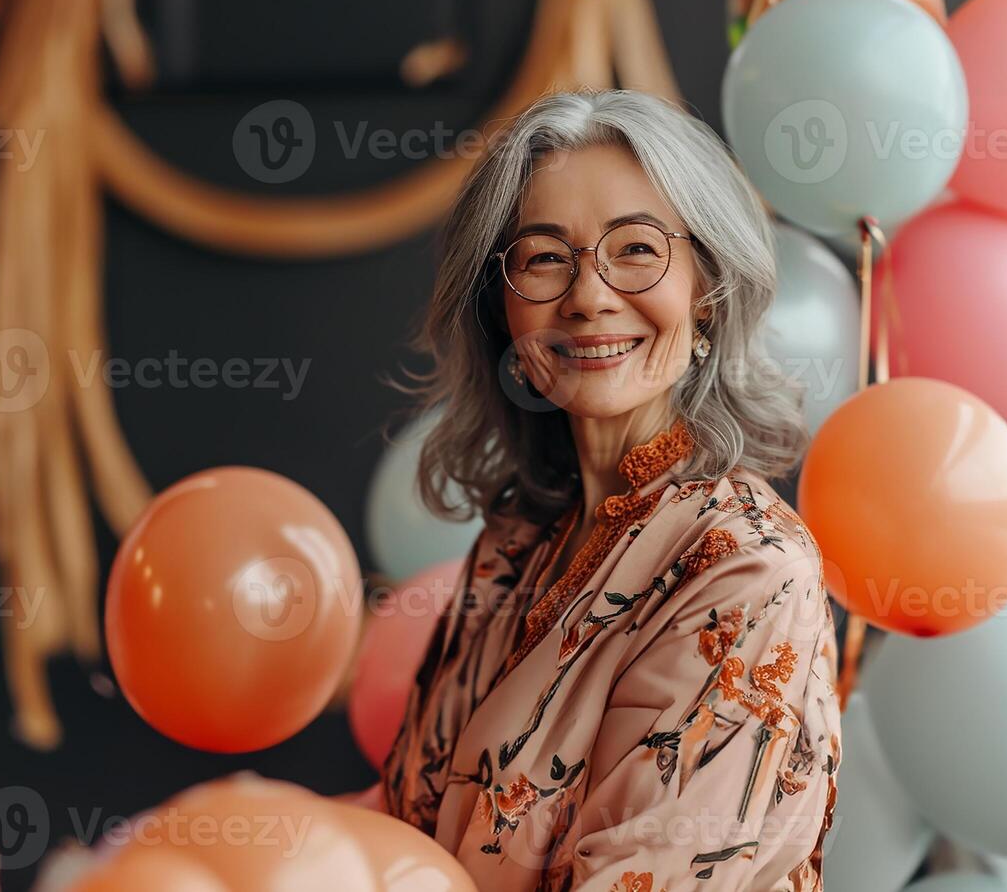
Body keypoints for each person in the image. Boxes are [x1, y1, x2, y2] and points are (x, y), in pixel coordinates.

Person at [360, 90, 841, 891]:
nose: (587, 297)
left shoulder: (747, 567)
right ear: (501, 309)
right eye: (544, 257)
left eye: (636, 249)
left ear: (708, 292)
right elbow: (403, 833)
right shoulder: (515, 544)